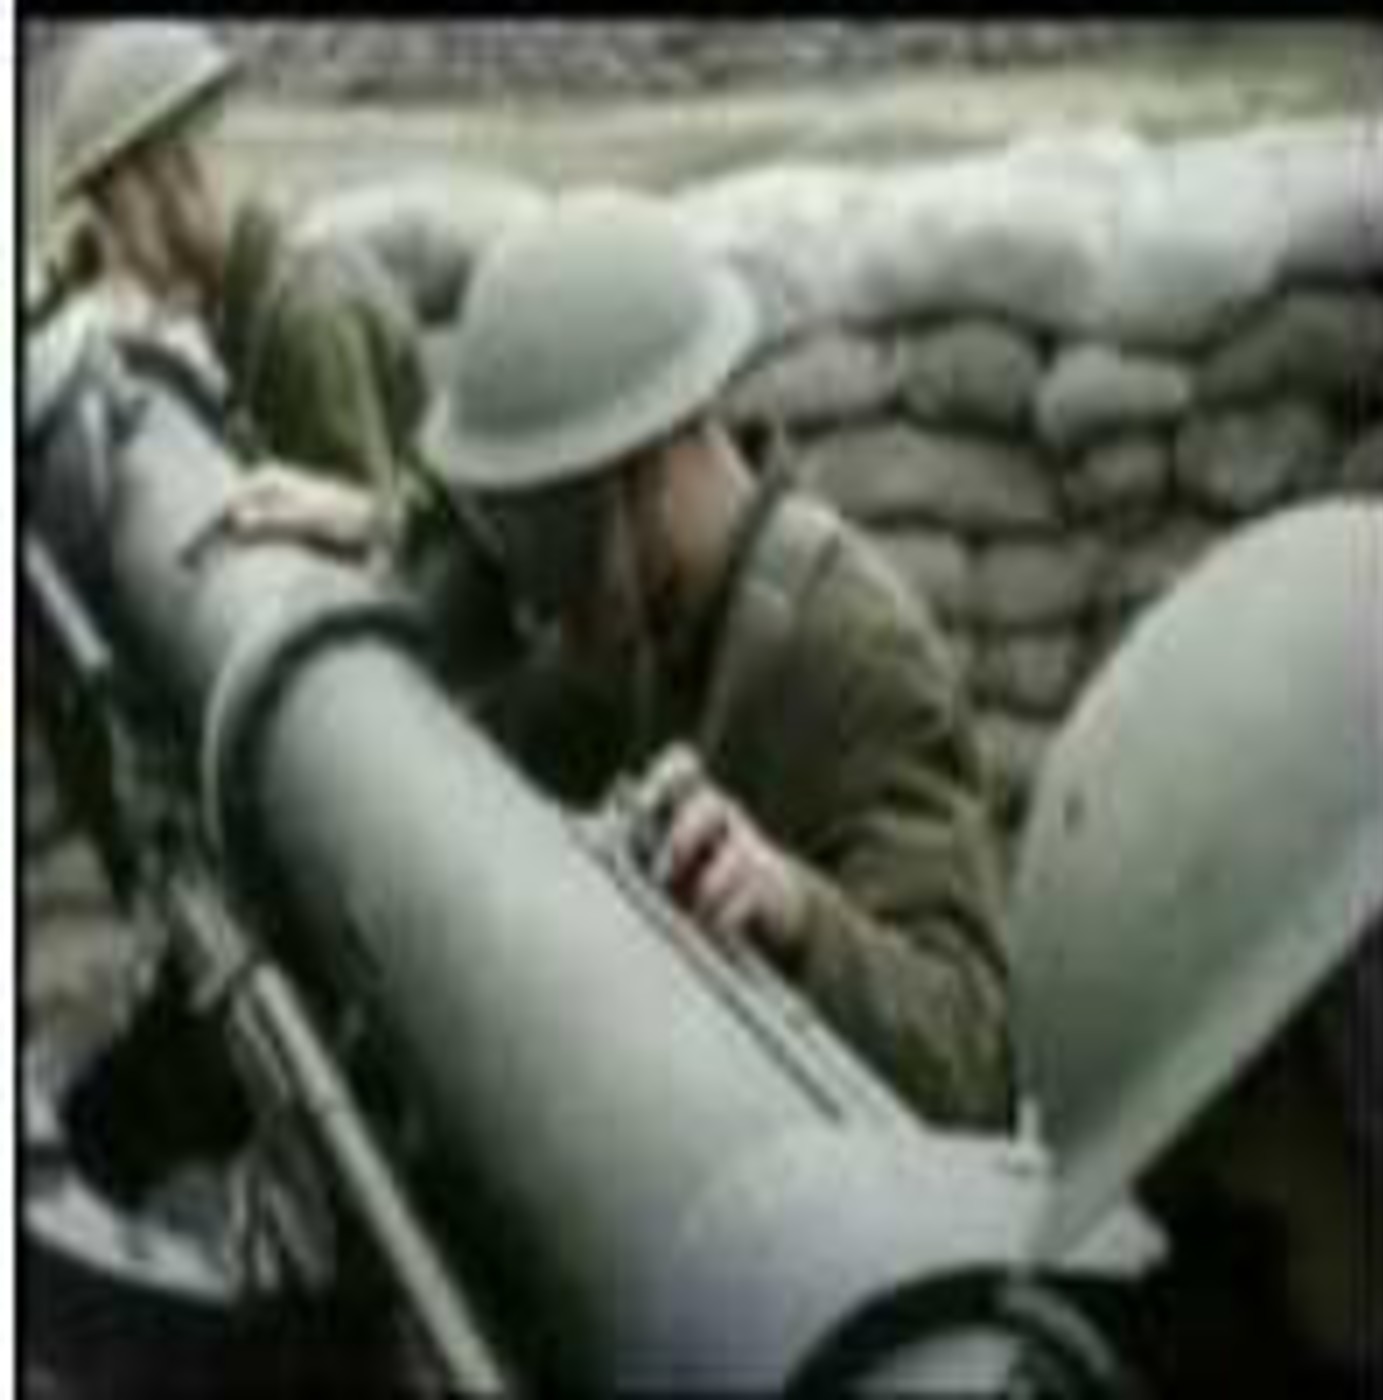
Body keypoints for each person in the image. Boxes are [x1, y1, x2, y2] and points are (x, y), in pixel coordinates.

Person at [214, 191, 1014, 1130]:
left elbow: (973, 1059)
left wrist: (795, 912)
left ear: (648, 469)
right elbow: (492, 726)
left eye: (551, 525)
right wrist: (387, 532)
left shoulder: (848, 654)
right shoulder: (642, 625)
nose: (545, 599)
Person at [46, 20, 426, 517]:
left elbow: (383, 540)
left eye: (115, 215)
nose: (115, 252)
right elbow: (80, 262)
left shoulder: (308, 317)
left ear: (179, 171)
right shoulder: (233, 281)